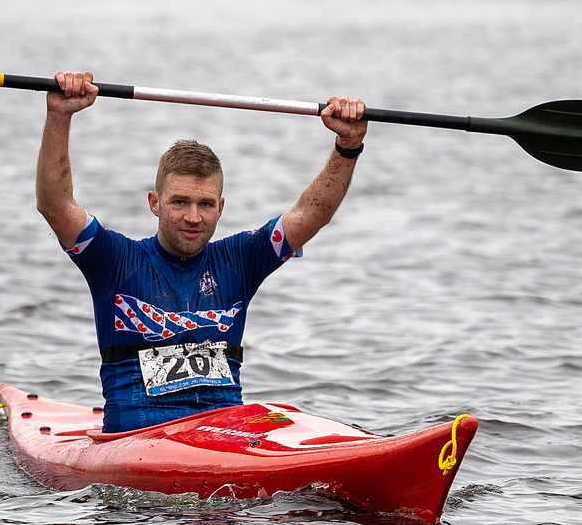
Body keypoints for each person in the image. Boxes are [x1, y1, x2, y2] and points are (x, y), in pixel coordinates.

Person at [35, 70, 368, 433]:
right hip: (138, 439)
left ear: (221, 207)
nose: (193, 217)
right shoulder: (114, 261)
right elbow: (55, 204)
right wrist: (60, 115)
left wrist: (347, 147)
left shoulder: (240, 260)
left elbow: (311, 215)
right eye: (180, 202)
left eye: (205, 204)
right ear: (154, 203)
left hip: (225, 435)